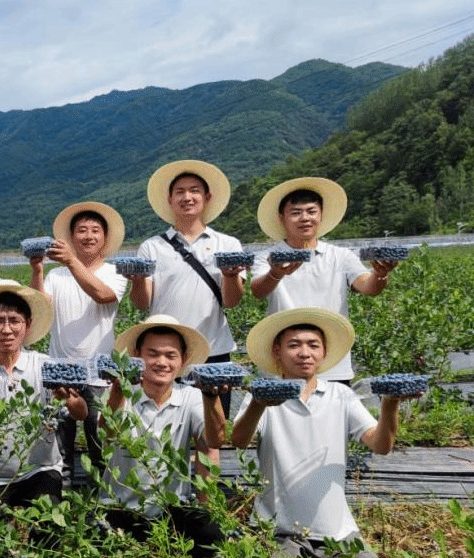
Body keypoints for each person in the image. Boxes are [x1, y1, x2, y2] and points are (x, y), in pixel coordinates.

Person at [230, 308, 416, 558]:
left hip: (337, 533)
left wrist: (389, 404)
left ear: (324, 352)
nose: (304, 353)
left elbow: (380, 445)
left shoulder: (340, 396)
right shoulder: (261, 397)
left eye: (313, 345)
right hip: (278, 531)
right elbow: (239, 440)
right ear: (277, 351)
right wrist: (260, 404)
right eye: (294, 345)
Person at [100, 315, 227, 558]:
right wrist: (118, 390)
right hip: (120, 508)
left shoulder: (191, 397)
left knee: (211, 538)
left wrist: (211, 396)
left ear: (183, 360)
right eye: (153, 354)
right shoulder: (118, 394)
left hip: (171, 510)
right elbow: (108, 433)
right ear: (136, 355)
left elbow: (215, 440)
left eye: (170, 355)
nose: (161, 362)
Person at [0, 281, 88, 507]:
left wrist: (70, 399)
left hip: (38, 471)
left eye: (14, 321)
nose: (7, 330)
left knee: (45, 521)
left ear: (28, 324)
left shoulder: (45, 366)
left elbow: (81, 413)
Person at [128, 160, 247, 417]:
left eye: (194, 190)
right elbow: (141, 303)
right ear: (170, 200)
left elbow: (232, 301)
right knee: (164, 423)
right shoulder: (152, 247)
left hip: (214, 349)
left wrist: (230, 276)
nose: (187, 197)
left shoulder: (228, 244)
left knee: (213, 428)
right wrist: (137, 280)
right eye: (180, 192)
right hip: (166, 353)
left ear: (207, 197)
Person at [250, 177, 398, 382]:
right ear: (281, 218)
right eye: (296, 213)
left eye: (311, 212)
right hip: (286, 363)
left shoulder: (340, 256)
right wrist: (276, 273)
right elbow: (258, 290)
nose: (305, 218)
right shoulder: (268, 257)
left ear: (321, 215)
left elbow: (368, 286)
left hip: (332, 362)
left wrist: (381, 273)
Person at [28, 201, 128, 480]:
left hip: (100, 373)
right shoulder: (56, 274)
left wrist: (71, 261)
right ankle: (62, 490)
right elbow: (40, 308)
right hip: (61, 369)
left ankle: (103, 492)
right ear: (71, 237)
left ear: (105, 238)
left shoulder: (114, 272)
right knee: (60, 442)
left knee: (101, 441)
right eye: (81, 230)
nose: (88, 236)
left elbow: (103, 296)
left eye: (95, 230)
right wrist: (37, 270)